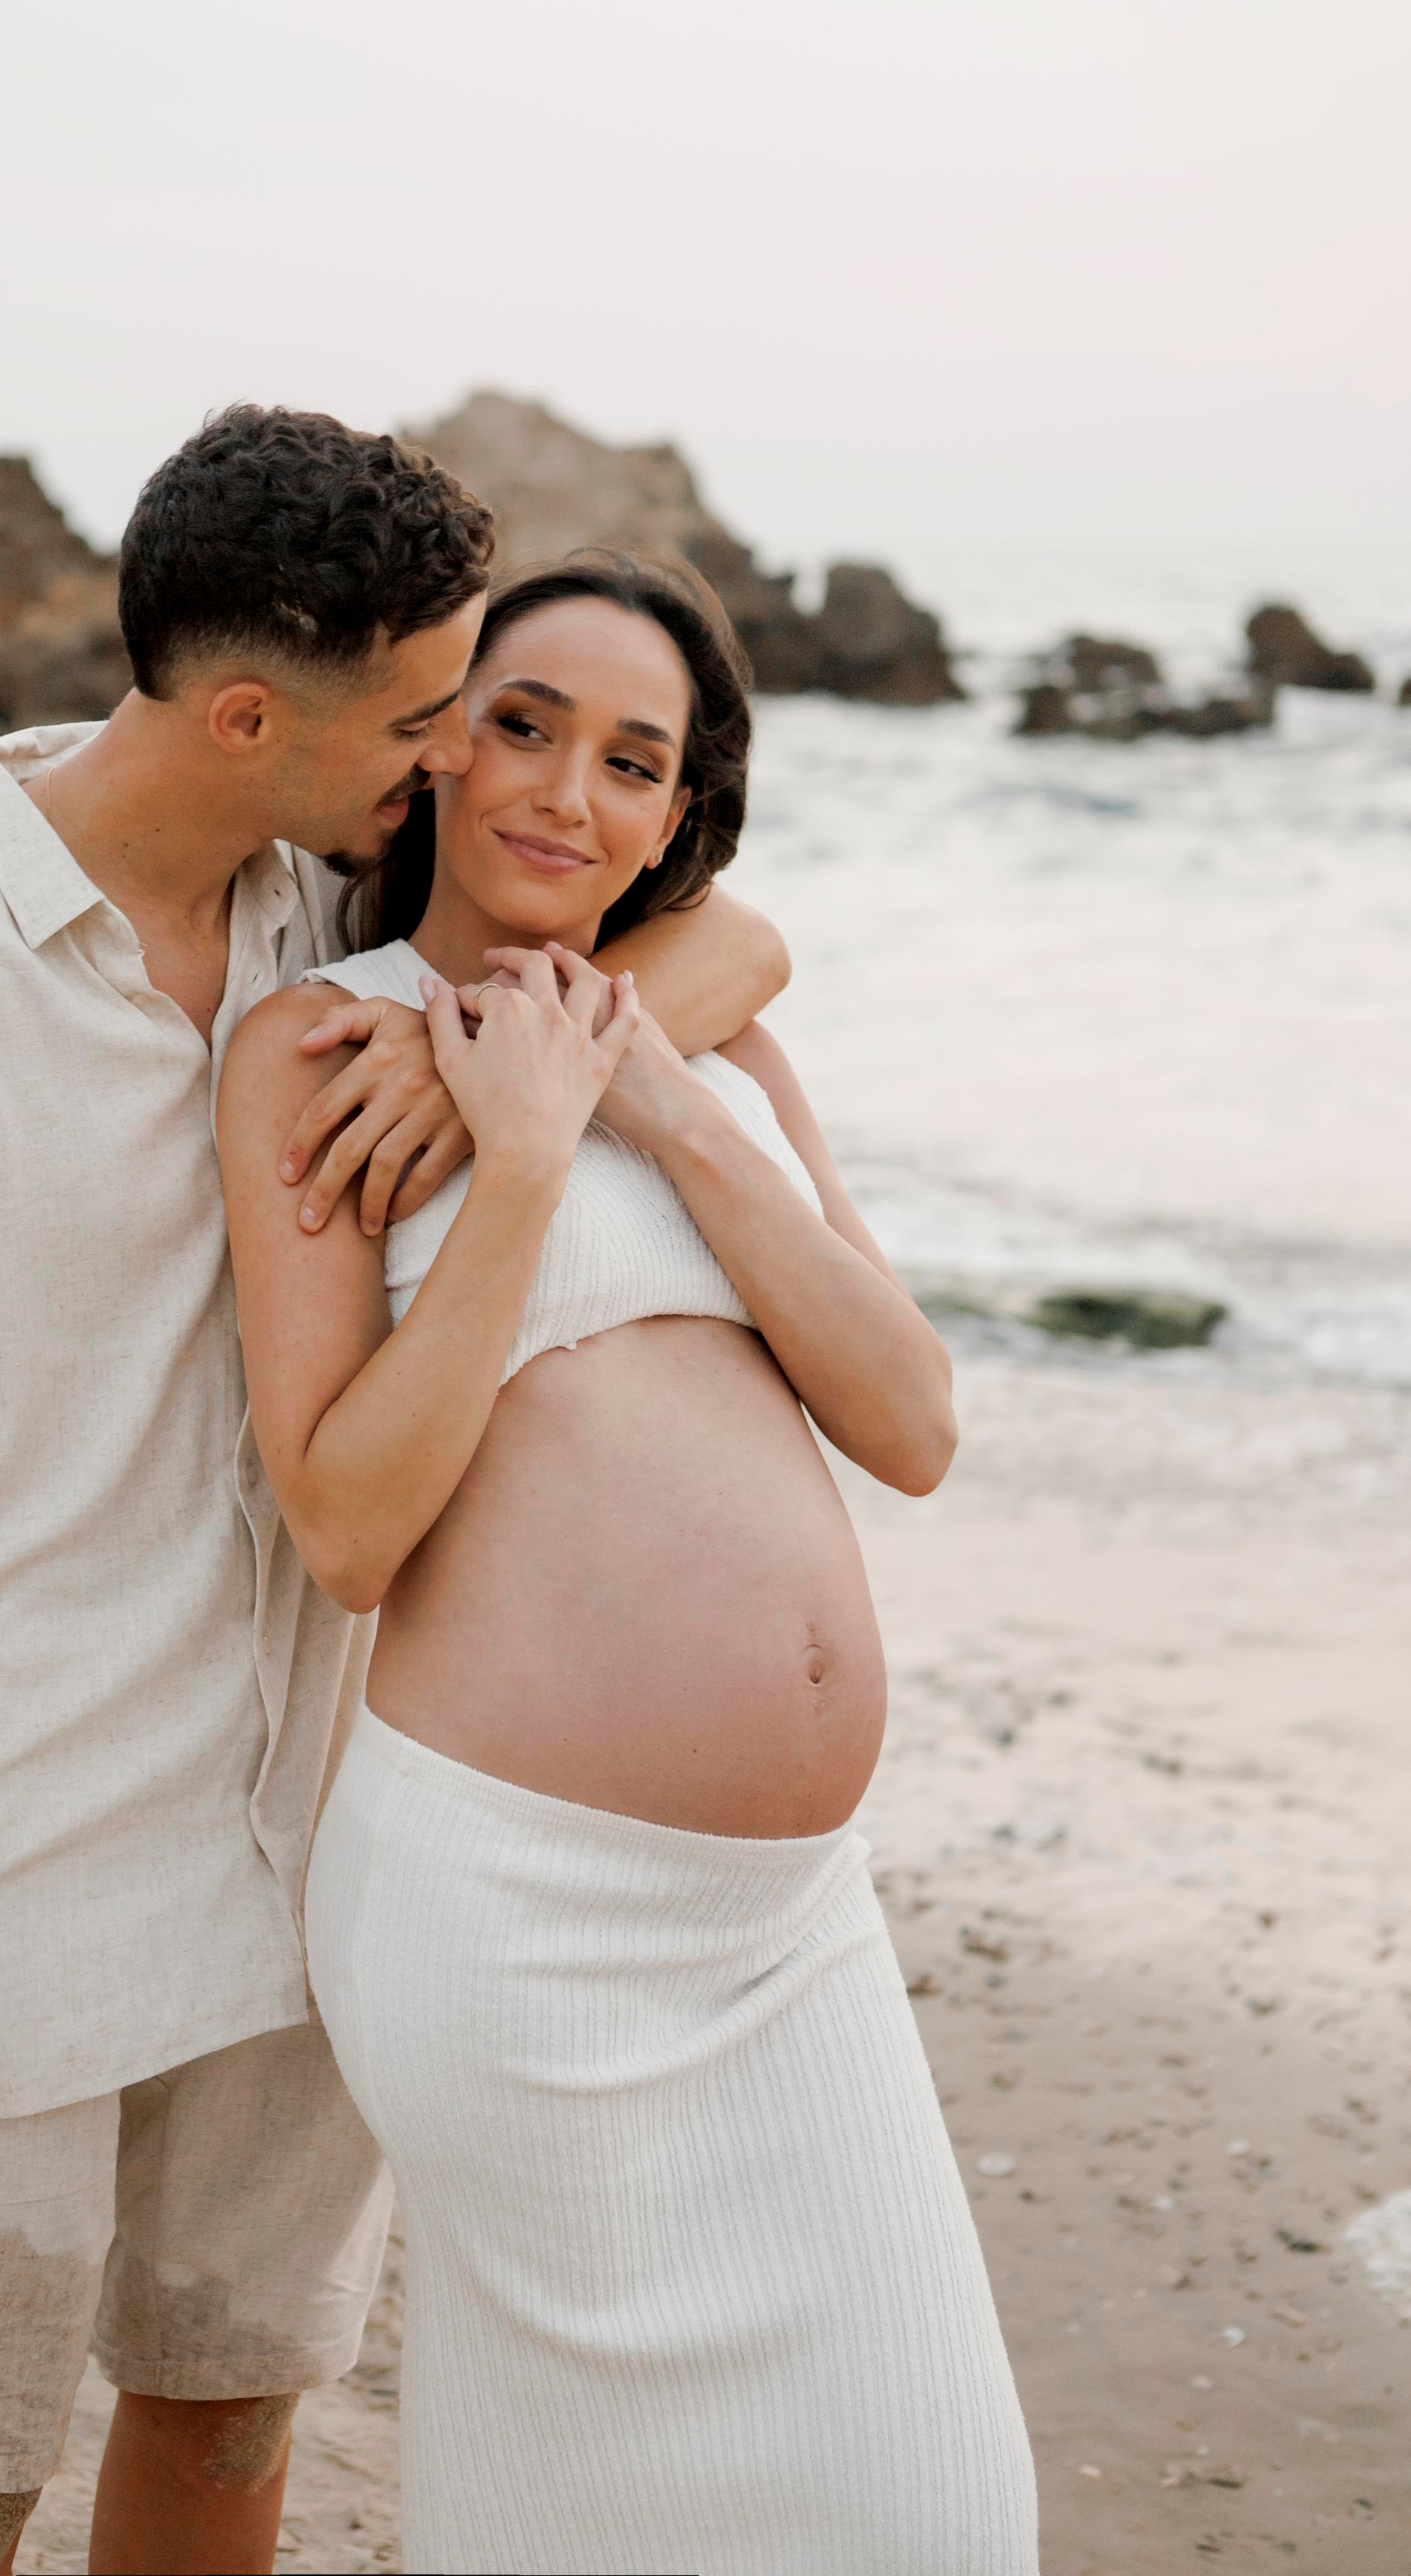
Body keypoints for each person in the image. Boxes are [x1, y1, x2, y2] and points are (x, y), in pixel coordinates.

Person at [0, 411, 788, 2576]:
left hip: (303, 1865)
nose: (456, 766)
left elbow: (729, 937)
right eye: (431, 715)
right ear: (253, 715)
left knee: (233, 2425)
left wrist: (476, 1087)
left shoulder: (310, 906)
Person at [219, 554, 1040, 2576]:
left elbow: (915, 1425)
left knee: (936, 2516)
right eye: (521, 723)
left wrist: (644, 1099)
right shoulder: (325, 1058)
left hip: (787, 1933)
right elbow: (342, 1530)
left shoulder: (722, 1056)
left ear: (681, 814)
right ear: (431, 747)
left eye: (634, 761)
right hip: (510, 1919)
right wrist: (514, 1160)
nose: (567, 793)